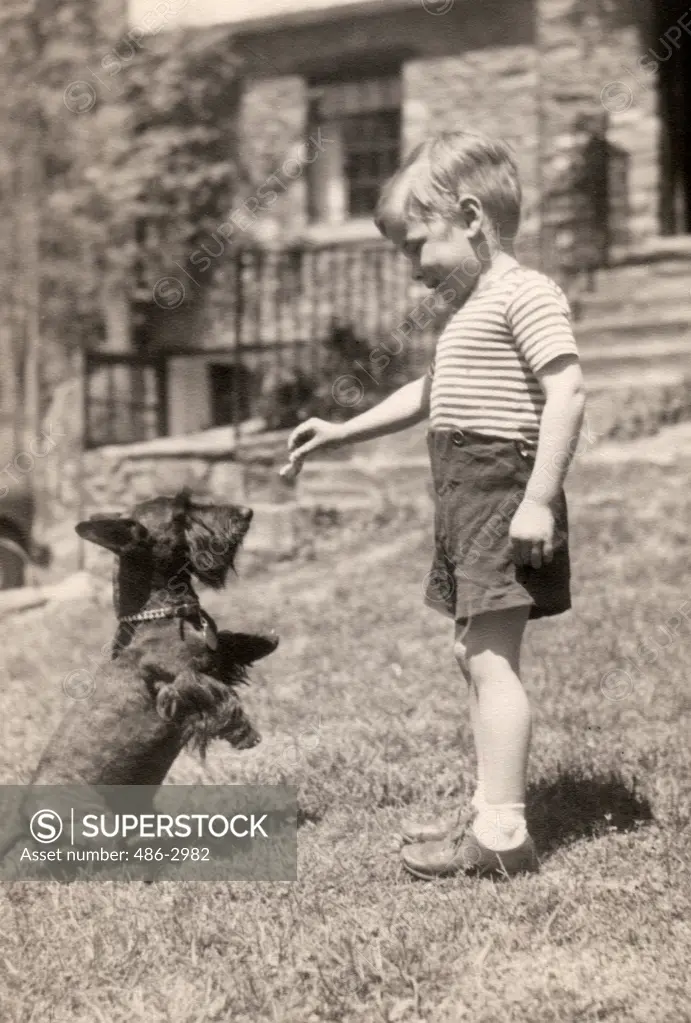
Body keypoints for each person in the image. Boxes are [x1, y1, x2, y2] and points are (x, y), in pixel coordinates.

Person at [285, 131, 585, 878]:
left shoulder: (525, 292)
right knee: (471, 652)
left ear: (472, 217)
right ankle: (492, 807)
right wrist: (344, 428)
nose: (409, 268)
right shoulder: (465, 309)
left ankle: (504, 834)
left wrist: (538, 500)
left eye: (415, 246)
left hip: (499, 489)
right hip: (462, 492)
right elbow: (429, 394)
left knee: (489, 659)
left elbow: (567, 391)